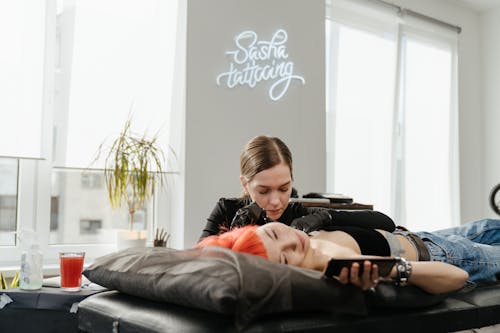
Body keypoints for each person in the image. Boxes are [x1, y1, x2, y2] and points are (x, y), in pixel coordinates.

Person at [197, 219, 500, 295]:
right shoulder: (330, 261)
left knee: (490, 224)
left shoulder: (300, 230)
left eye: (275, 234)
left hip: (421, 234)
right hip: (445, 255)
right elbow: (457, 277)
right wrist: (392, 271)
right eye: (285, 259)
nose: (293, 244)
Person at [199, 135, 395, 241]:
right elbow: (196, 262)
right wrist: (234, 235)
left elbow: (385, 222)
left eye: (284, 189)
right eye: (264, 191)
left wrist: (325, 217)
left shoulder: (300, 215)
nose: (275, 201)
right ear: (245, 184)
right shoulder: (227, 210)